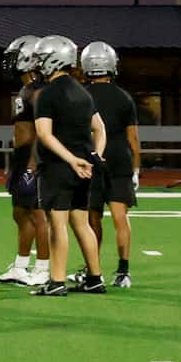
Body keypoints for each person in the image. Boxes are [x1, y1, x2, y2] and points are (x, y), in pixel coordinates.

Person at [25, 37, 108, 296]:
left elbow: (44, 134)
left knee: (57, 224)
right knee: (81, 223)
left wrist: (71, 160)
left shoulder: (47, 94)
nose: (37, 64)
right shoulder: (83, 91)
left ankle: (57, 281)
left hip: (58, 167)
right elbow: (100, 129)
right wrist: (94, 157)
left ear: (53, 59)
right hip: (84, 167)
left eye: (41, 58)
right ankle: (95, 278)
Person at [81, 41, 141, 289]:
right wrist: (136, 169)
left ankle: (92, 270)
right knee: (120, 217)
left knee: (92, 218)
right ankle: (123, 271)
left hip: (93, 160)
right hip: (120, 161)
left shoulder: (81, 95)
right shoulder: (124, 97)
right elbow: (133, 140)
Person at [0, 37, 49, 288]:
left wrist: (32, 162)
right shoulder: (27, 88)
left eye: (14, 55)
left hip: (33, 157)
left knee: (38, 214)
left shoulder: (38, 90)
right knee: (20, 213)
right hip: (22, 158)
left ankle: (43, 269)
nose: (10, 61)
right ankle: (20, 266)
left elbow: (42, 129)